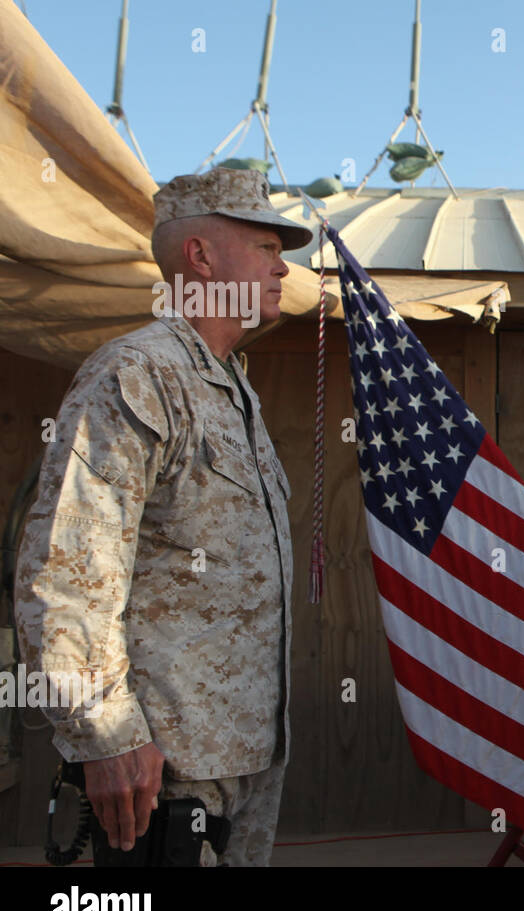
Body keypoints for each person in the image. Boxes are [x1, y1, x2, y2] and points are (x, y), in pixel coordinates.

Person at [16, 168, 307, 866]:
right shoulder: (137, 374)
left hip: (243, 760)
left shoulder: (234, 387)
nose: (282, 265)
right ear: (201, 257)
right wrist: (105, 736)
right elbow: (68, 569)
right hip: (162, 770)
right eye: (265, 245)